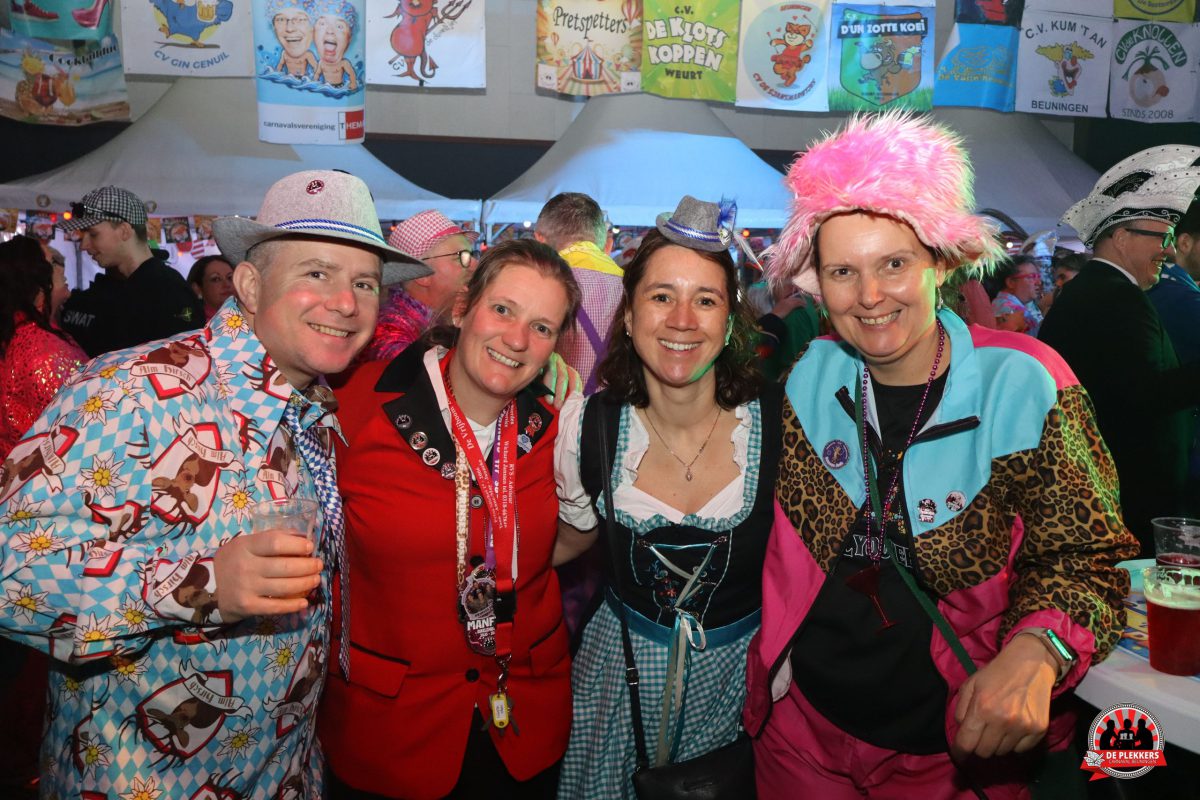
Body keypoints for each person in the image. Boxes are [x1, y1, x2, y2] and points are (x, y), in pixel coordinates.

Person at [0, 170, 428, 798]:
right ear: (250, 286)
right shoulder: (132, 390)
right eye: (317, 273)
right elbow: (9, 573)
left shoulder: (313, 408)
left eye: (364, 282)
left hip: (284, 773)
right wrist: (201, 585)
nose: (346, 302)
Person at [746, 112, 1137, 799]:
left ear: (942, 262)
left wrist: (1036, 650)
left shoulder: (1024, 381)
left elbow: (1087, 556)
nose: (870, 296)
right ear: (817, 284)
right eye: (844, 271)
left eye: (894, 264)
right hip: (802, 734)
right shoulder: (811, 373)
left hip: (954, 750)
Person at [319, 239, 582, 799]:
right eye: (503, 310)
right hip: (391, 729)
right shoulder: (354, 406)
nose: (517, 339)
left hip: (522, 719)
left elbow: (562, 542)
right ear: (462, 309)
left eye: (541, 327)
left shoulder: (559, 424)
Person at [553, 197, 781, 799]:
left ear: (729, 321)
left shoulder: (782, 425)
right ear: (629, 316)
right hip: (615, 684)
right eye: (661, 296)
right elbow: (568, 539)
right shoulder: (588, 427)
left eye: (705, 300)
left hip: (736, 690)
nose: (682, 320)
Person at [1040, 146, 1200, 553]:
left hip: (1108, 487)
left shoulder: (1095, 290)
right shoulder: (1116, 296)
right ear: (1122, 238)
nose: (1169, 251)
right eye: (1162, 237)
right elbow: (1148, 395)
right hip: (1129, 495)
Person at [0, 234, 86, 798]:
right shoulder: (46, 354)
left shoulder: (15, 338)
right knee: (34, 671)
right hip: (42, 526)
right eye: (56, 268)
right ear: (37, 286)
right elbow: (82, 446)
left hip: (13, 522)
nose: (66, 279)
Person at [58, 185, 203, 357]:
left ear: (124, 231)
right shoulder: (106, 292)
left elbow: (185, 362)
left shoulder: (168, 292)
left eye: (93, 234)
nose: (83, 245)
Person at [0, 235, 86, 455]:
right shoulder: (43, 351)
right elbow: (81, 422)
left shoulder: (18, 331)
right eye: (53, 263)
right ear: (34, 281)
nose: (62, 269)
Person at [536, 191, 624, 394]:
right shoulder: (634, 287)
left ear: (539, 240)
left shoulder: (538, 285)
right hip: (615, 409)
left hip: (553, 408)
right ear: (607, 244)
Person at [365, 209, 479, 361]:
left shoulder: (440, 319)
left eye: (472, 255)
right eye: (462, 256)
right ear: (423, 274)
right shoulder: (389, 329)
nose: (475, 265)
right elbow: (411, 369)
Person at [989, 256, 1044, 334]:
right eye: (1031, 277)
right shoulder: (1008, 311)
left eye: (1038, 277)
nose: (1038, 282)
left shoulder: (1003, 304)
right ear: (1011, 283)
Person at [271, 0, 318, 78]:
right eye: (281, 19)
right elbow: (280, 65)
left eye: (301, 19)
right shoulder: (284, 53)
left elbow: (316, 67)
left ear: (312, 28)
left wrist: (315, 79)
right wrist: (277, 75)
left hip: (302, 79)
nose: (290, 29)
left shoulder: (307, 55)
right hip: (289, 79)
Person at [187, 254, 236, 321]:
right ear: (197, 289)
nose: (227, 284)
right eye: (216, 279)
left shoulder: (248, 314)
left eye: (230, 278)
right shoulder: (196, 324)